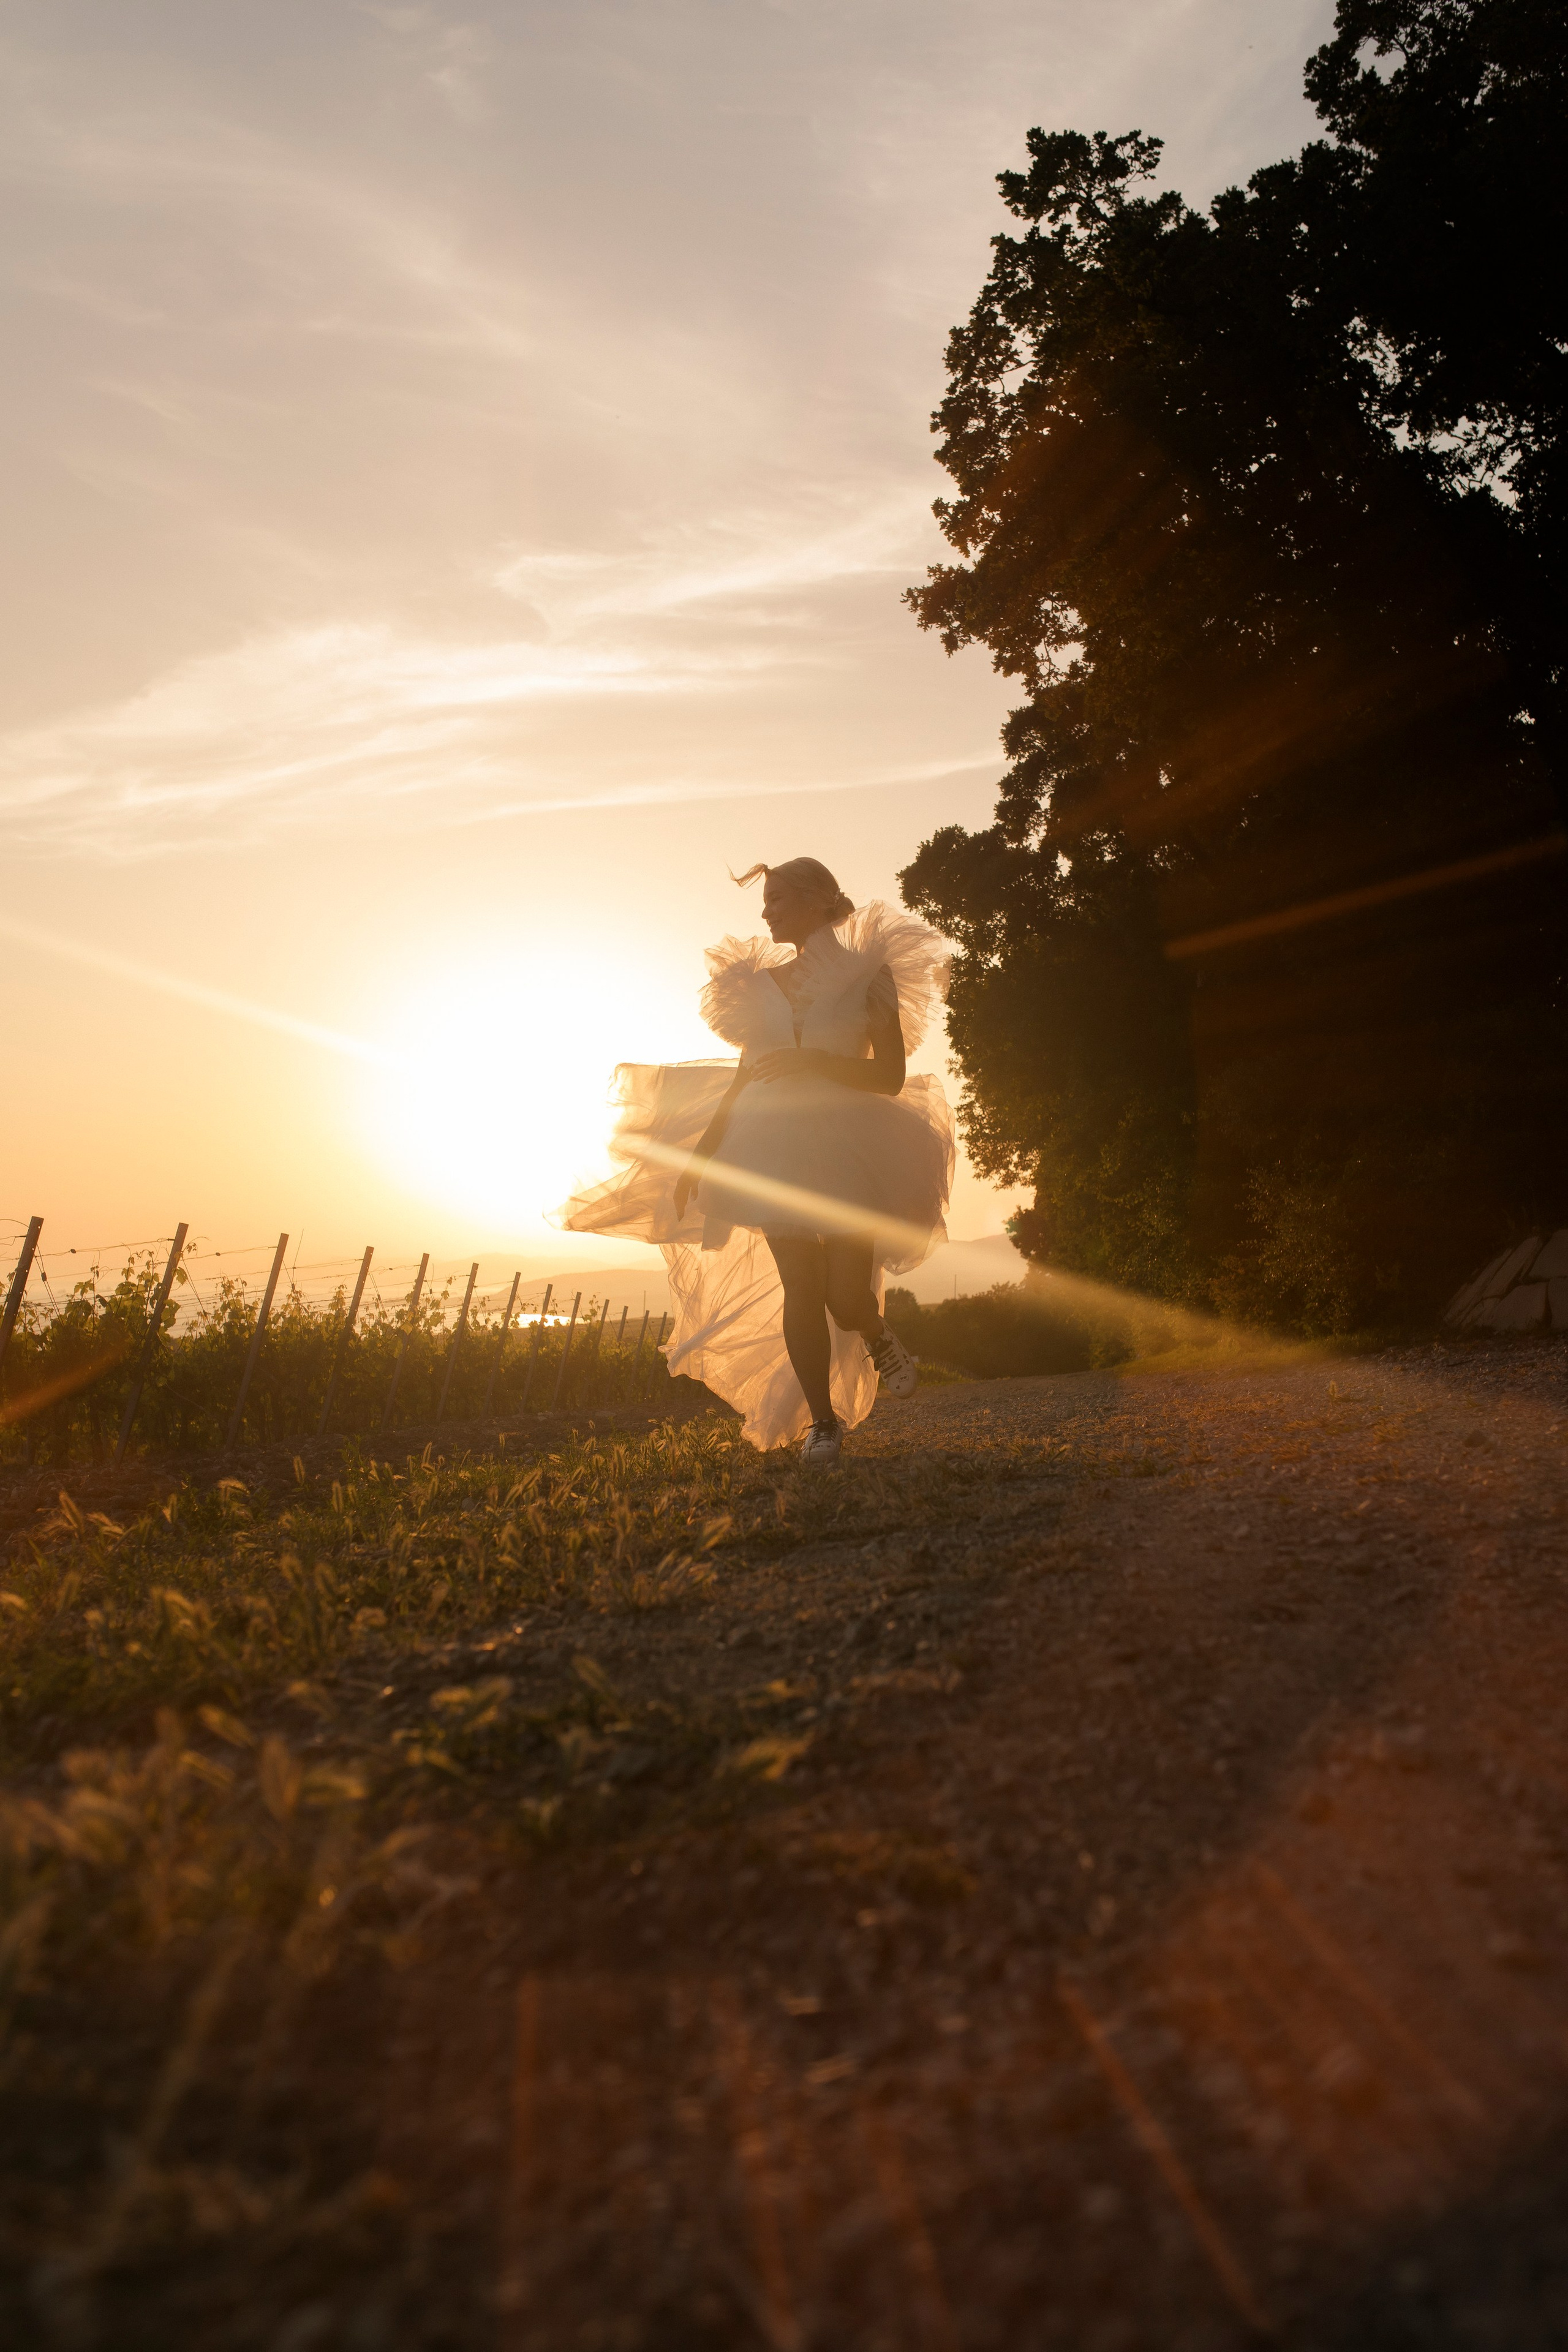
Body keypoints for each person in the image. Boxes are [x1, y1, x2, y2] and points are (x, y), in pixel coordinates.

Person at [555, 856, 955, 1464]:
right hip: (770, 1146)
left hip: (850, 1144)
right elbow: (745, 1077)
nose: (765, 912)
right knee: (801, 1285)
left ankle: (877, 1335)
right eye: (764, 902)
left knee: (846, 1296)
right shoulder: (758, 985)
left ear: (818, 901)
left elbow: (890, 1076)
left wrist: (815, 1063)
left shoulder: (869, 975)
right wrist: (703, 1157)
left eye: (777, 899)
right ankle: (823, 1424)